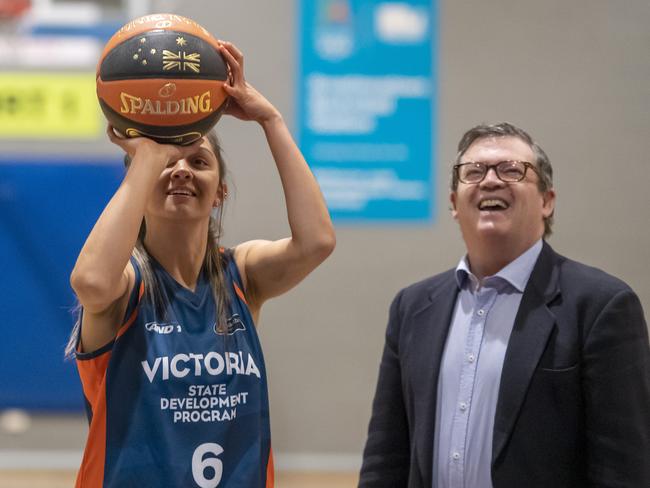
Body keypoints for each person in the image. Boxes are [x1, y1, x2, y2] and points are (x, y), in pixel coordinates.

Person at [66, 41, 335, 487]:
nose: (182, 169)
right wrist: (149, 154)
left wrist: (271, 120)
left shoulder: (242, 274)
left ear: (220, 191)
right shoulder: (128, 284)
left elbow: (317, 242)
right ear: (138, 183)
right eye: (169, 162)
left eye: (199, 161)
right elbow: (91, 283)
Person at [359, 122, 650, 488]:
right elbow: (386, 457)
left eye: (512, 170)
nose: (491, 180)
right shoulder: (412, 307)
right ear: (453, 203)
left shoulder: (600, 306)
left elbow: (623, 469)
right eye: (474, 172)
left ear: (547, 201)